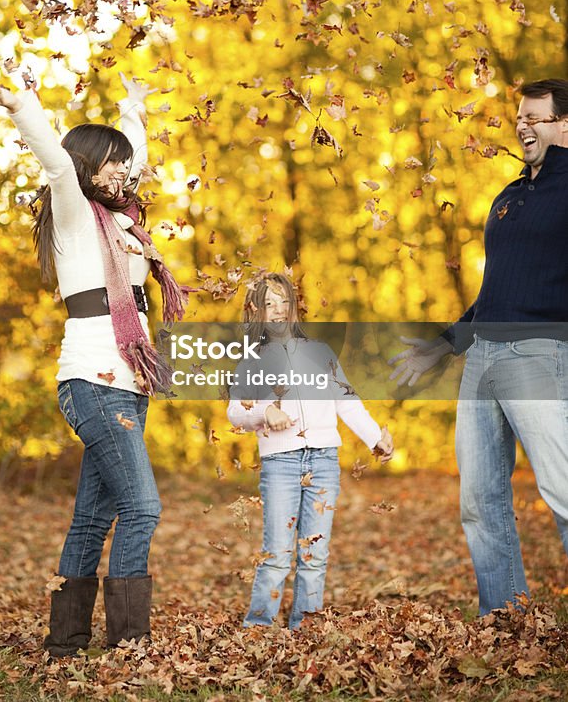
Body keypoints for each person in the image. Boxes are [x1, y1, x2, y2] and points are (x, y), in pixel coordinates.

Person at [0, 71, 189, 656]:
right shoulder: (73, 212)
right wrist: (21, 105)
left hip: (129, 383)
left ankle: (66, 642)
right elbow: (55, 161)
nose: (125, 172)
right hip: (93, 382)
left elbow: (136, 161)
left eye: (125, 164)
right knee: (143, 508)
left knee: (93, 520)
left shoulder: (122, 219)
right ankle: (129, 645)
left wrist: (134, 107)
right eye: (113, 164)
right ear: (90, 167)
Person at [389, 78, 568, 615]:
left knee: (562, 490)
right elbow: (493, 295)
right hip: (483, 360)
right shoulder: (510, 197)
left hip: (538, 355)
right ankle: (506, 616)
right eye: (519, 116)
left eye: (535, 117)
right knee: (479, 501)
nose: (523, 125)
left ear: (564, 125)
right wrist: (441, 347)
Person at [227, 273, 394, 629]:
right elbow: (235, 410)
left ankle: (306, 628)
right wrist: (263, 411)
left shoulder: (320, 352)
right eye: (267, 304)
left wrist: (373, 437)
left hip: (323, 461)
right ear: (254, 312)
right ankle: (257, 628)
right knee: (277, 555)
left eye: (283, 302)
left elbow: (346, 401)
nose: (277, 311)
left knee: (314, 554)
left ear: (295, 307)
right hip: (281, 464)